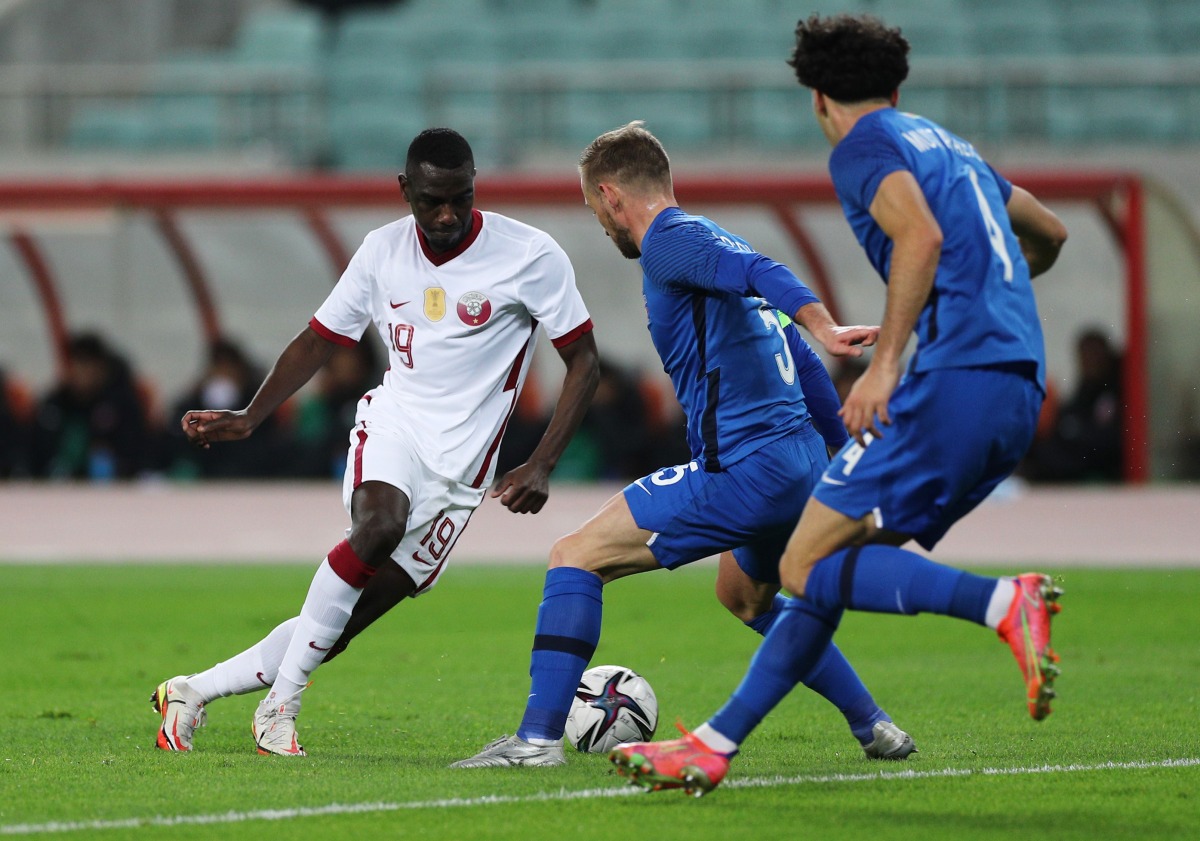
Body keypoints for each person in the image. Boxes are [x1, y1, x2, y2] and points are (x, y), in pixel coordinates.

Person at [608, 13, 1071, 797]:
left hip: (953, 379)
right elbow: (1050, 234)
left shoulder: (863, 147)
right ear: (896, 88)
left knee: (801, 563)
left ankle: (1005, 600)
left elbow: (918, 238)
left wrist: (883, 367)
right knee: (818, 568)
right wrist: (988, 295)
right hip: (1018, 384)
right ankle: (714, 745)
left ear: (819, 98)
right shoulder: (948, 145)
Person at [452, 122, 915, 770]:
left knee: (575, 556)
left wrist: (825, 323)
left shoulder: (668, 240)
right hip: (801, 463)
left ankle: (536, 740)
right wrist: (843, 465)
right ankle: (874, 725)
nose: (601, 225)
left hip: (746, 470)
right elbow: (798, 357)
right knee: (743, 595)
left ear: (611, 195)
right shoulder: (714, 239)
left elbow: (769, 279)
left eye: (593, 208)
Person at [151, 127, 600, 756]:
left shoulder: (530, 255)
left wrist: (542, 463)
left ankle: (192, 690)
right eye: (431, 201)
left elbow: (584, 361)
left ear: (475, 187)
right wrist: (252, 416)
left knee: (341, 622)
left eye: (461, 199)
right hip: (395, 427)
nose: (447, 215)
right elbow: (320, 338)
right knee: (379, 525)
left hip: (461, 479)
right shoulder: (381, 251)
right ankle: (279, 709)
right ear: (405, 189)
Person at [29, 332, 151, 480]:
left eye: (87, 365)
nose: (81, 372)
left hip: (111, 485)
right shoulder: (54, 404)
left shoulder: (121, 405)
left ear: (101, 369)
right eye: (77, 364)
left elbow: (137, 452)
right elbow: (35, 450)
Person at [1022, 327, 1123, 483]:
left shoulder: (1117, 392)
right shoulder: (1086, 389)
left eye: (1094, 355)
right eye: (1084, 356)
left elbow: (1108, 440)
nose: (1089, 361)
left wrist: (1074, 432)